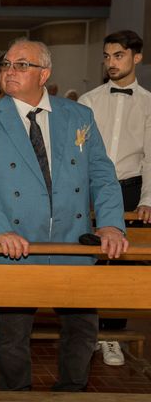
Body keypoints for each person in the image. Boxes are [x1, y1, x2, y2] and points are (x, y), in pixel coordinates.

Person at [0, 37, 128, 391]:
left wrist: (112, 224)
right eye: (7, 64)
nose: (10, 71)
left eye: (22, 65)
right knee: (11, 337)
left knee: (83, 332)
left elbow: (101, 173)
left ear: (44, 73)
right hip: (15, 245)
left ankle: (72, 394)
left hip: (72, 243)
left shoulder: (78, 115)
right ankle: (15, 396)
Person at [78, 30, 150, 366]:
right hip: (91, 187)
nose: (110, 63)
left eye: (118, 55)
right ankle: (88, 331)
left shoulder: (149, 102)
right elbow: (76, 152)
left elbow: (150, 157)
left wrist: (148, 198)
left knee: (120, 262)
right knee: (90, 261)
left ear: (137, 57)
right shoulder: (90, 100)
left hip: (130, 188)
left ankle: (111, 335)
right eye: (106, 56)